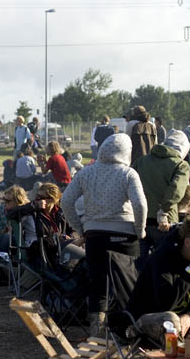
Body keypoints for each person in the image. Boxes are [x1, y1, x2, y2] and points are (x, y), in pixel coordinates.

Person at [61, 133, 148, 337]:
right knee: (128, 283)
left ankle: (97, 332)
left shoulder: (86, 173)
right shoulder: (128, 173)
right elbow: (140, 204)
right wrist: (140, 229)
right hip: (125, 234)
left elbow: (66, 201)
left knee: (98, 283)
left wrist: (81, 227)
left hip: (95, 235)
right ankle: (130, 328)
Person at [126, 215, 190, 347]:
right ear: (188, 243)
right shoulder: (162, 258)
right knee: (171, 320)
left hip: (185, 323)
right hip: (148, 320)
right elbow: (166, 303)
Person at [132, 130, 190, 257]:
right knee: (164, 263)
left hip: (140, 220)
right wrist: (164, 210)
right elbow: (176, 191)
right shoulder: (181, 165)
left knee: (139, 264)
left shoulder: (141, 161)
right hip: (165, 222)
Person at [7, 183, 69, 266]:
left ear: (52, 199)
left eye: (41, 197)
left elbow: (72, 229)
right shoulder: (33, 210)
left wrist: (70, 236)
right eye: (37, 196)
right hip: (38, 249)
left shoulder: (60, 212)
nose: (38, 199)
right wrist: (34, 206)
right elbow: (11, 214)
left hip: (58, 247)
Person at [0, 185, 37, 253]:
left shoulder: (28, 211)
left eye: (8, 201)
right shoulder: (0, 209)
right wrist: (6, 229)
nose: (5, 203)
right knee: (5, 237)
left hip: (27, 243)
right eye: (4, 200)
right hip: (10, 241)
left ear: (18, 201)